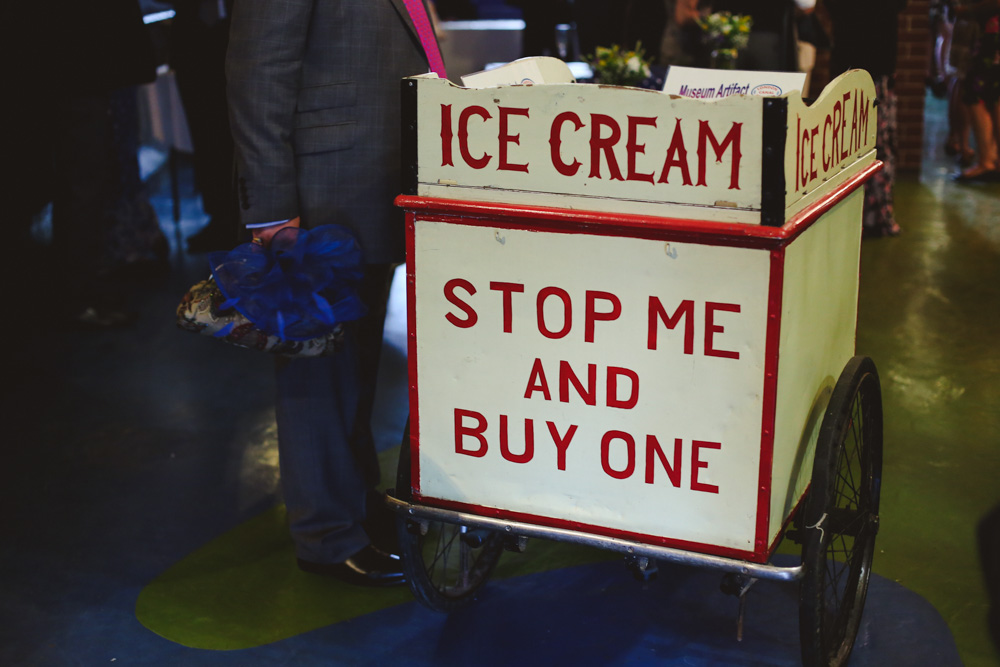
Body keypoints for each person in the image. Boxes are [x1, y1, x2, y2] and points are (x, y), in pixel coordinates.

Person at [226, 0, 439, 586]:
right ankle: (325, 534)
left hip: (370, 179)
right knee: (316, 366)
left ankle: (353, 499)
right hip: (322, 189)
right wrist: (269, 209)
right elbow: (257, 70)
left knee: (356, 358)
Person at [827, 0, 906, 237]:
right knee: (877, 143)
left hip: (849, 60)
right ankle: (876, 215)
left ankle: (850, 216)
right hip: (874, 60)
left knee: (845, 142)